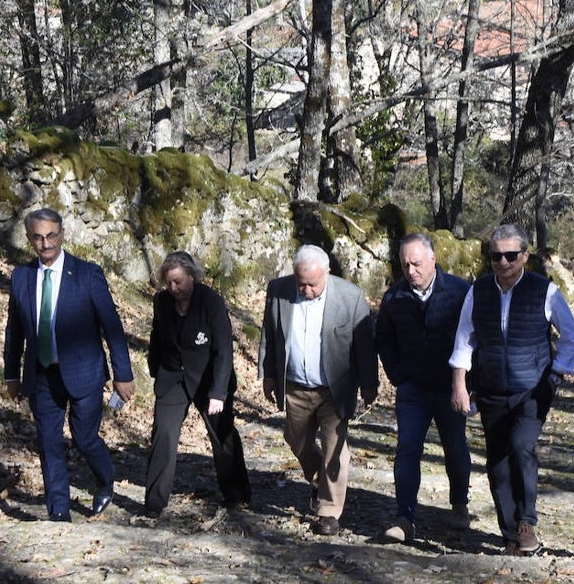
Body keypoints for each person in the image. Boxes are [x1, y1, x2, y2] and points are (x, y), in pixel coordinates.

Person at [450, 224, 574, 556]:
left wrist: (556, 375)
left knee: (522, 447)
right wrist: (460, 385)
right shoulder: (477, 291)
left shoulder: (544, 290)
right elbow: (464, 341)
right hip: (491, 389)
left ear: (525, 255)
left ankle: (526, 522)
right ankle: (509, 534)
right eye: (496, 256)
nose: (503, 262)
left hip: (532, 391)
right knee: (497, 461)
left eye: (511, 255)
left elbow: (570, 336)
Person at [3, 208, 134, 522]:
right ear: (29, 239)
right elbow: (14, 330)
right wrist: (11, 374)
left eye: (51, 235)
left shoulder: (87, 274)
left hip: (84, 373)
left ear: (62, 233)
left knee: (84, 437)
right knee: (48, 441)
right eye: (38, 237)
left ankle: (104, 481)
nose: (45, 243)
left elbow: (111, 326)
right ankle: (58, 510)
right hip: (41, 375)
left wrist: (123, 375)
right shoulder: (22, 277)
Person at [258, 245, 378, 535]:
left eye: (312, 283)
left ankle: (329, 511)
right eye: (301, 282)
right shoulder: (279, 290)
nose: (306, 289)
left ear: (327, 274)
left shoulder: (350, 296)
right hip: (295, 385)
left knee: (334, 448)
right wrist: (268, 375)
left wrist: (369, 384)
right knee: (296, 439)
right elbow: (270, 334)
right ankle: (318, 481)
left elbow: (364, 346)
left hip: (334, 387)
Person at [376, 232, 472, 542]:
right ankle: (405, 517)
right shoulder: (394, 297)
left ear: (432, 259)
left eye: (416, 263)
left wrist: (469, 383)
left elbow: (476, 338)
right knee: (407, 450)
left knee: (455, 447)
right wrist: (397, 376)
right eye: (405, 265)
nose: (411, 270)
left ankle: (459, 505)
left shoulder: (460, 292)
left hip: (450, 387)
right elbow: (384, 340)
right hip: (413, 388)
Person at [145, 251, 251, 517]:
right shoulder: (162, 301)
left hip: (209, 377)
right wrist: (154, 368)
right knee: (164, 434)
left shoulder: (211, 302)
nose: (173, 288)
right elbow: (157, 336)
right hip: (172, 378)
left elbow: (224, 349)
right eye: (168, 282)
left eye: (178, 282)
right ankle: (155, 501)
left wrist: (218, 392)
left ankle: (236, 494)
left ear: (192, 277)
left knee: (222, 435)